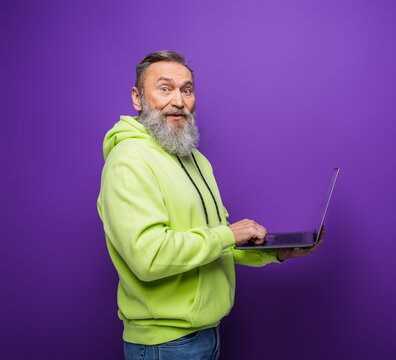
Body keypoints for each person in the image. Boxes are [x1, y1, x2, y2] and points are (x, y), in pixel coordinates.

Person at [97, 50, 323, 360]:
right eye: (165, 88)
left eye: (186, 89)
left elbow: (214, 246)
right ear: (137, 98)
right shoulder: (129, 162)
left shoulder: (195, 160)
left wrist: (278, 252)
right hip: (164, 346)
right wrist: (228, 234)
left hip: (207, 335)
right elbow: (149, 258)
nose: (178, 101)